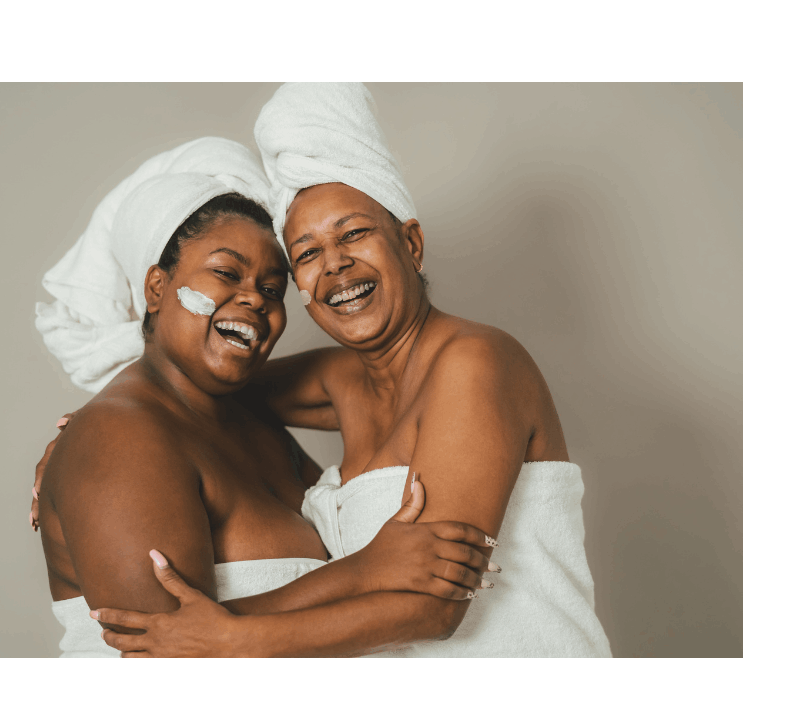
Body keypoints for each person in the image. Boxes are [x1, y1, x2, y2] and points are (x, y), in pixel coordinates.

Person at [89, 84, 611, 657]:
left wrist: (232, 636)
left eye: (354, 233)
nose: (335, 264)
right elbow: (192, 385)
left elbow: (435, 605)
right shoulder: (343, 383)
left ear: (410, 243)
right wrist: (105, 422)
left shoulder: (475, 361)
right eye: (307, 254)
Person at [35, 138, 496, 657]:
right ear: (157, 288)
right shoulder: (120, 438)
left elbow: (404, 373)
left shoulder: (245, 419)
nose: (255, 297)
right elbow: (163, 647)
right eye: (226, 273)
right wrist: (364, 571)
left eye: (274, 288)